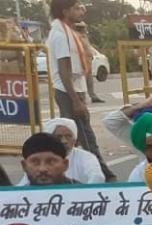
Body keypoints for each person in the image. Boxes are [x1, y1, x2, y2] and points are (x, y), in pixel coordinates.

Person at [46, 0, 114, 181]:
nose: (81, 11)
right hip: (68, 92)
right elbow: (64, 69)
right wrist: (76, 100)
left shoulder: (69, 31)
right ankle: (104, 174)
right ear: (65, 11)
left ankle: (92, 172)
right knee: (83, 136)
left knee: (84, 134)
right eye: (76, 8)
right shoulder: (59, 34)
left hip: (76, 90)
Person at [16, 118, 104, 185]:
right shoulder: (36, 159)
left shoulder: (86, 157)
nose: (64, 141)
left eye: (68, 136)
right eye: (59, 137)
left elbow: (97, 177)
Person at [73, 21, 103, 103]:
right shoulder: (76, 36)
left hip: (88, 59)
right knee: (81, 79)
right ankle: (82, 97)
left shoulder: (84, 36)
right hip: (82, 60)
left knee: (89, 79)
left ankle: (92, 95)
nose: (84, 28)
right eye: (83, 27)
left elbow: (87, 47)